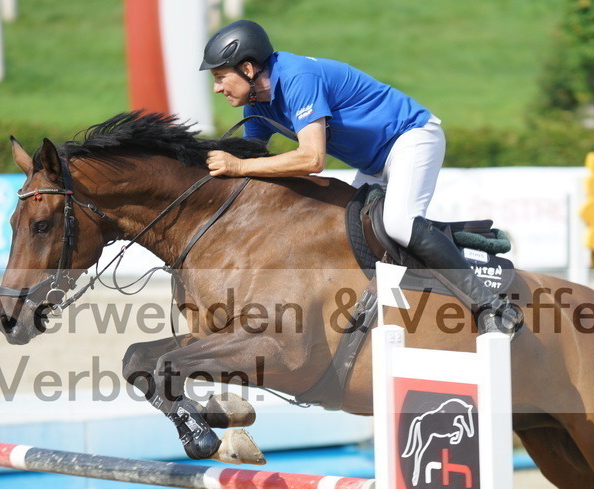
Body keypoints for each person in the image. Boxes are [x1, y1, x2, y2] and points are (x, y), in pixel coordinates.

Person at [199, 19, 522, 335]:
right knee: (346, 231)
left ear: (249, 68)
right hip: (374, 161)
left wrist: (238, 167)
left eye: (220, 77)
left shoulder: (298, 77)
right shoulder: (257, 105)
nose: (217, 88)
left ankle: (491, 306)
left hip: (410, 137)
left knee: (398, 223)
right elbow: (253, 160)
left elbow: (312, 159)